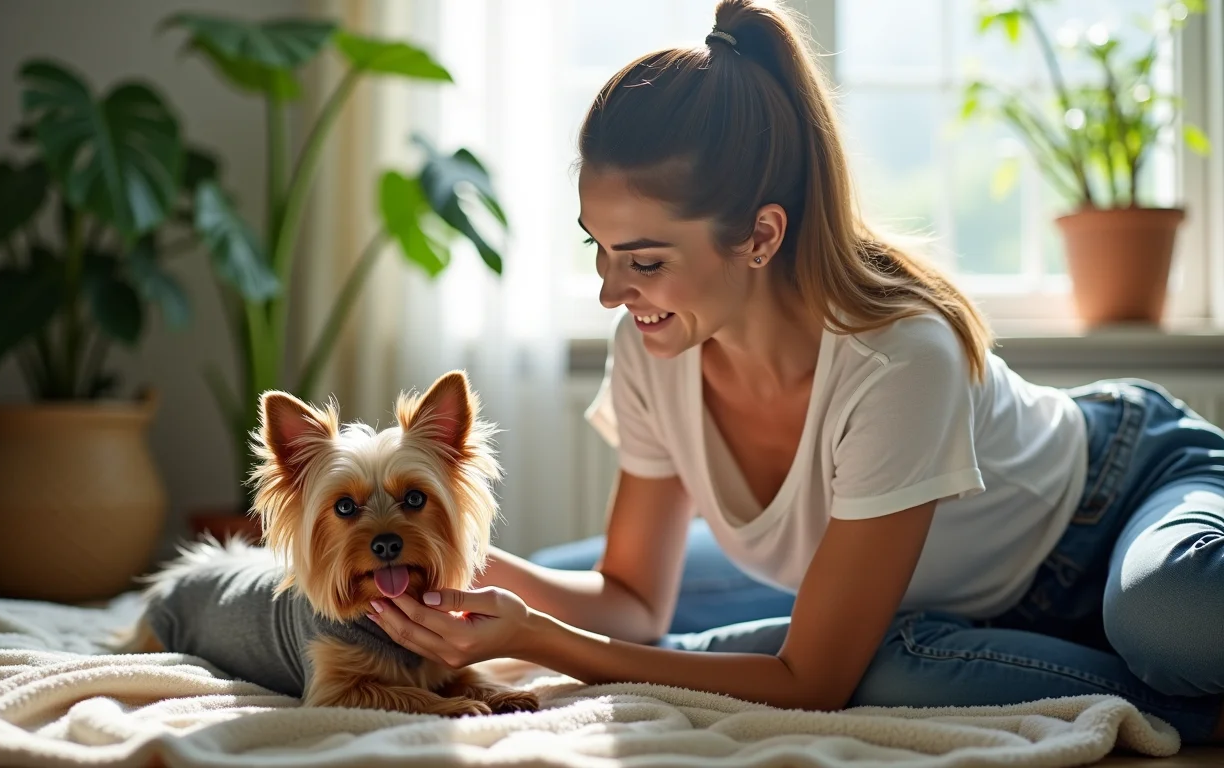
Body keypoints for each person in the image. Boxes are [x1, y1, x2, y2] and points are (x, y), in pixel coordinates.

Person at [365, 0, 1224, 743]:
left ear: (761, 237)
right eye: (597, 248)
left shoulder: (896, 357)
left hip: (1116, 498)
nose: (609, 291)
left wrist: (545, 642)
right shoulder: (654, 345)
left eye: (645, 260)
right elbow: (631, 599)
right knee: (546, 566)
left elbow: (811, 684)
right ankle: (1076, 656)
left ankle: (1161, 673)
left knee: (1168, 622)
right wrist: (462, 564)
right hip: (946, 586)